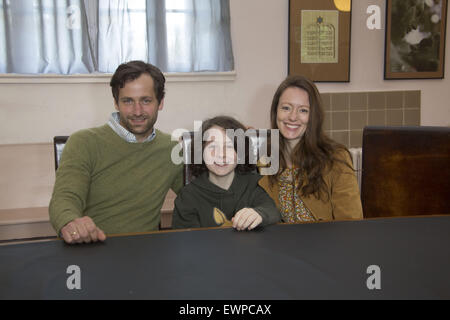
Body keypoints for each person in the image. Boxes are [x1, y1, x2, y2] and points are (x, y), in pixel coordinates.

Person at [49, 61, 183, 244]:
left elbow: (201, 193)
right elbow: (64, 198)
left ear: (160, 103)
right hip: (90, 249)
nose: (137, 111)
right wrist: (70, 221)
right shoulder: (83, 142)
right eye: (128, 101)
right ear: (116, 103)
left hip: (147, 254)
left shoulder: (171, 149)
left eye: (146, 100)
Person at [258, 75, 363, 222]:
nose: (293, 117)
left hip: (325, 244)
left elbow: (351, 222)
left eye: (303, 110)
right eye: (286, 108)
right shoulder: (265, 157)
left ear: (314, 116)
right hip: (277, 243)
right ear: (276, 112)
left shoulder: (336, 158)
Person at [172, 116, 281, 230]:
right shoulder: (188, 196)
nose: (221, 154)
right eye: (212, 146)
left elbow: (273, 211)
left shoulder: (256, 184)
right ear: (201, 152)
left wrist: (260, 214)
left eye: (229, 146)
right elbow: (185, 240)